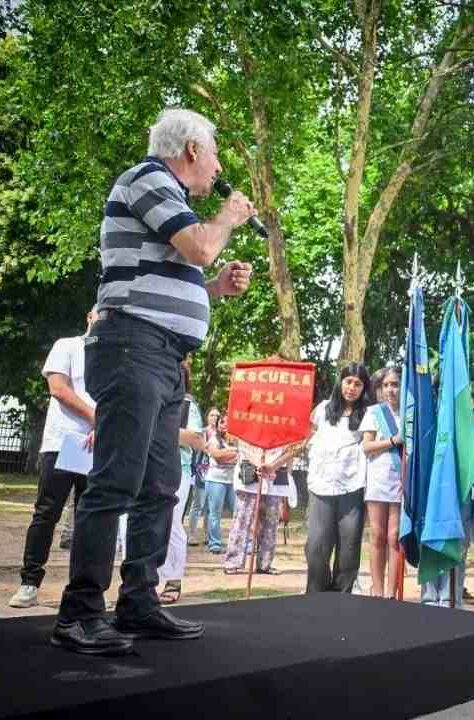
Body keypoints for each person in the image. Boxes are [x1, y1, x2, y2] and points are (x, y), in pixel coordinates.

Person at [52, 108, 254, 656]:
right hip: (132, 348)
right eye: (213, 154)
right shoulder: (148, 179)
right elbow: (201, 247)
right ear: (191, 148)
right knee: (117, 480)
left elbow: (173, 274)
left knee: (161, 485)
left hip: (163, 355)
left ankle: (138, 602)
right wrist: (228, 219)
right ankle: (79, 614)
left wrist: (212, 289)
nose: (217, 169)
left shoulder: (173, 200)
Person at [9, 308, 99, 609]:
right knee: (47, 512)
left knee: (92, 519)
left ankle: (82, 591)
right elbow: (58, 388)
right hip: (63, 442)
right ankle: (29, 582)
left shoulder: (116, 359)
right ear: (89, 316)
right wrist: (95, 417)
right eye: (104, 312)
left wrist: (105, 426)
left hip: (97, 447)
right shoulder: (67, 346)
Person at [305, 363, 370, 593]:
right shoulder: (322, 409)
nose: (352, 387)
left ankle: (341, 599)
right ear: (340, 382)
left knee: (349, 551)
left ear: (364, 388)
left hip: (352, 489)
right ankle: (316, 598)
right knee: (316, 547)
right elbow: (304, 438)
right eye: (348, 381)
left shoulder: (368, 414)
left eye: (358, 384)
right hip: (320, 486)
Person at [157, 361, 205, 604]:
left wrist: (157, 428)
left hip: (178, 470)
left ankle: (173, 578)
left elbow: (196, 438)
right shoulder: (152, 398)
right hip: (147, 468)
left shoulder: (187, 405)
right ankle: (144, 579)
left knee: (172, 522)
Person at [360, 367, 403, 598]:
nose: (390, 389)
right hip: (378, 479)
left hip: (400, 480)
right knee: (377, 534)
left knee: (394, 536)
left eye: (395, 384)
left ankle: (390, 592)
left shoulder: (410, 413)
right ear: (379, 389)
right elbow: (367, 446)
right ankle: (376, 590)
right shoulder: (374, 413)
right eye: (386, 385)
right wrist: (393, 440)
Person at [223, 442, 294, 575]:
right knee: (242, 520)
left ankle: (265, 564)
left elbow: (292, 450)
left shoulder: (285, 428)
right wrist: (259, 465)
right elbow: (241, 444)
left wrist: (274, 466)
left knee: (271, 524)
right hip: (250, 474)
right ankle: (234, 561)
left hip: (276, 475)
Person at [204, 413, 239, 554]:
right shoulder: (213, 439)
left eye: (227, 422)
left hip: (233, 481)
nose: (224, 425)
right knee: (215, 513)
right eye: (222, 422)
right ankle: (215, 543)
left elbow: (241, 455)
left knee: (237, 512)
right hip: (215, 480)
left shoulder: (237, 440)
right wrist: (233, 454)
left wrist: (227, 454)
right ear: (218, 425)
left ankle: (237, 542)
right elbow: (217, 457)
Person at [187, 407, 219, 546]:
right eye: (212, 415)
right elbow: (198, 448)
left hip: (216, 472)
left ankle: (208, 534)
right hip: (201, 471)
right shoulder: (203, 432)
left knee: (210, 506)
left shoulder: (222, 433)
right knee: (197, 504)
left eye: (217, 415)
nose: (215, 418)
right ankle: (192, 534)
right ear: (207, 417)